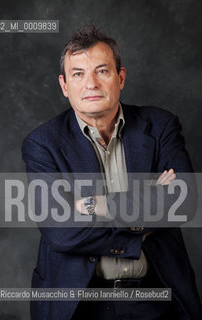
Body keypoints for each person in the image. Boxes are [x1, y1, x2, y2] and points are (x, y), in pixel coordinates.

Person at [22, 25, 202, 319]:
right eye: (78, 74)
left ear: (120, 77)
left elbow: (184, 203)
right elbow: (61, 233)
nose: (90, 83)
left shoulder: (160, 127)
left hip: (157, 298)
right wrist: (147, 204)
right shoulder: (42, 144)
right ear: (64, 85)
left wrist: (97, 204)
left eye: (101, 71)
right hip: (80, 305)